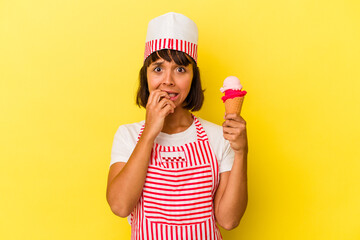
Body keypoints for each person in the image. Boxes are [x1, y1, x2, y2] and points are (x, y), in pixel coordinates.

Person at [106, 12, 248, 240]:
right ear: (146, 76)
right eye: (158, 69)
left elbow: (229, 220)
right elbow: (120, 206)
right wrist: (150, 132)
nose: (168, 80)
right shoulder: (128, 135)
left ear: (193, 78)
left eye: (180, 69)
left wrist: (241, 153)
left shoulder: (219, 137)